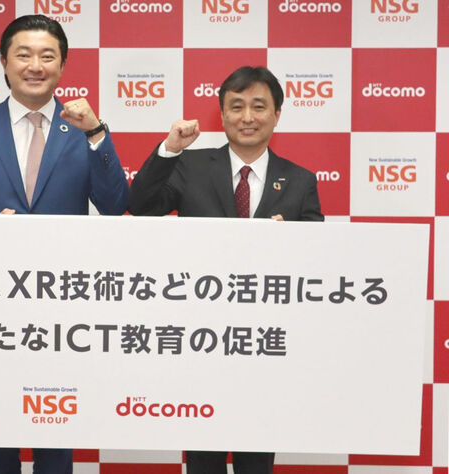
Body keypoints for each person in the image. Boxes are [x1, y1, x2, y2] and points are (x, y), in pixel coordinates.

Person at [0, 14, 129, 474]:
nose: (35, 65)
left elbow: (116, 206)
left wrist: (97, 133)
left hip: (64, 308)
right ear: (4, 62)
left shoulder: (83, 130)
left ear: (62, 65)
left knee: (56, 432)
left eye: (47, 56)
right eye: (23, 54)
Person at [129, 66, 324, 474]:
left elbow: (316, 262)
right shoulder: (191, 165)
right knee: (204, 460)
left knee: (257, 461)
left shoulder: (300, 180)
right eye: (236, 107)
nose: (247, 117)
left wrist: (290, 245)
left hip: (266, 345)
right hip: (201, 341)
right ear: (222, 115)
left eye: (259, 106)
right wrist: (169, 149)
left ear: (277, 114)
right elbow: (143, 206)